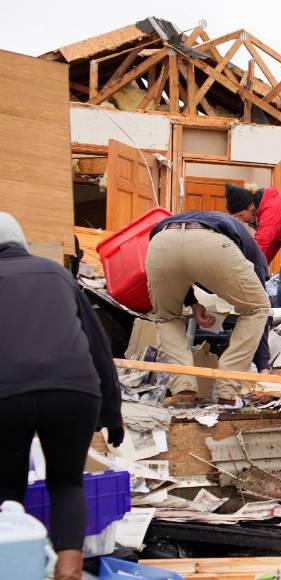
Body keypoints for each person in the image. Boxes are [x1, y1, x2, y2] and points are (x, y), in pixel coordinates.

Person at [0, 212, 123, 580]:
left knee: (7, 486)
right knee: (67, 482)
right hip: (75, 391)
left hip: (8, 393)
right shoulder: (56, 274)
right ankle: (68, 571)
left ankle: (14, 565)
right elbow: (99, 346)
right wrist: (112, 412)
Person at [146, 210, 273, 404]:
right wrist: (263, 365)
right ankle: (227, 390)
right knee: (257, 308)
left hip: (161, 241)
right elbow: (257, 307)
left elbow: (181, 265)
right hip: (210, 245)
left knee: (166, 317)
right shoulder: (256, 255)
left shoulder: (202, 218)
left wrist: (192, 303)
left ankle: (184, 388)